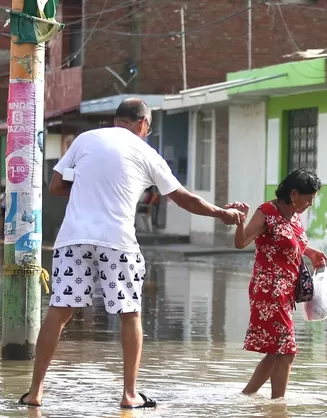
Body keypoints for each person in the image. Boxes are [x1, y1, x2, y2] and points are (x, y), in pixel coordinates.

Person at [19, 98, 247, 409]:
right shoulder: (145, 152)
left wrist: (90, 188)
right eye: (148, 129)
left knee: (58, 312)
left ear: (117, 119)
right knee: (130, 315)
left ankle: (35, 392)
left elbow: (56, 186)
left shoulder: (85, 140)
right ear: (142, 123)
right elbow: (183, 198)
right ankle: (129, 395)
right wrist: (221, 213)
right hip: (117, 242)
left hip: (73, 239)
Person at [234, 168, 327, 399]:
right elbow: (242, 241)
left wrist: (310, 252)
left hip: (287, 292)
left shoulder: (294, 215)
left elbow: (290, 244)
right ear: (294, 193)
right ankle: (278, 407)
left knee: (276, 352)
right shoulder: (267, 212)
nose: (310, 204)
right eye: (309, 199)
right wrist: (240, 223)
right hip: (269, 290)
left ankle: (246, 396)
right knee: (286, 352)